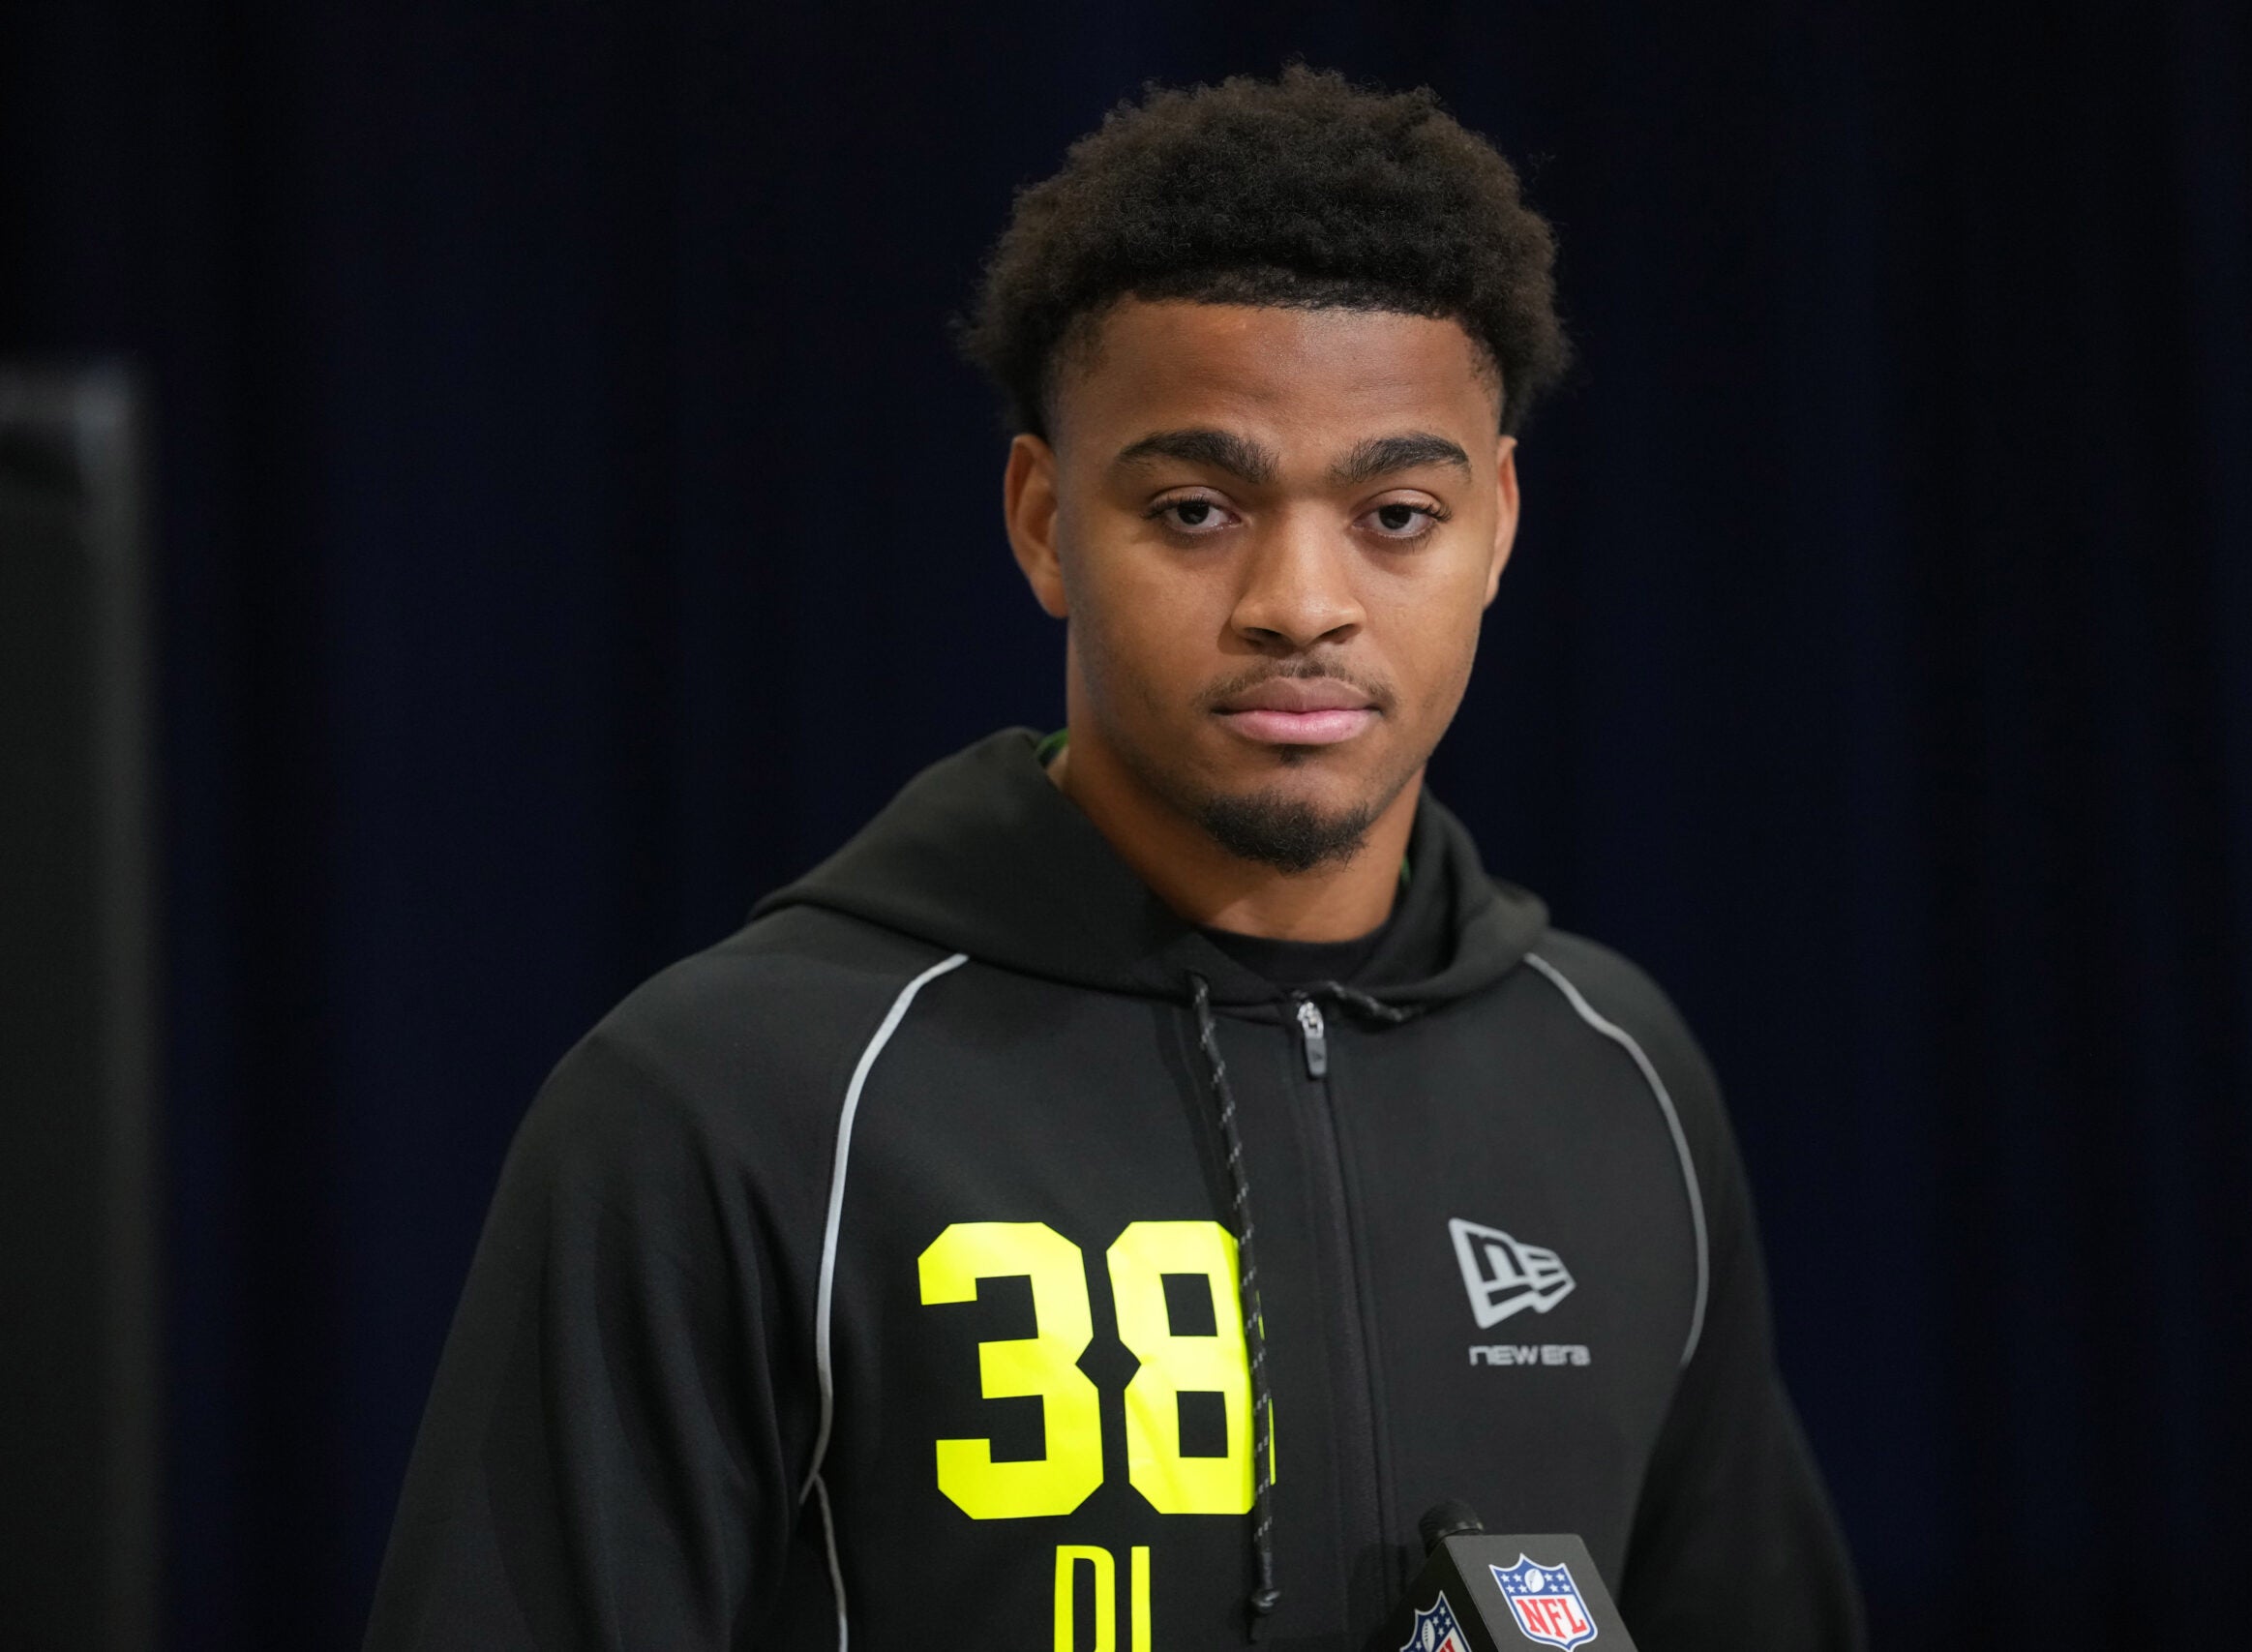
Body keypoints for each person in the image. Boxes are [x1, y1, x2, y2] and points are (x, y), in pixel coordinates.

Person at [365, 66, 1863, 1652]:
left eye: (1397, 513)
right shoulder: (732, 1098)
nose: (1301, 599)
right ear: (1040, 520)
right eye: (1200, 507)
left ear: (1497, 522)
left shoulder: (1617, 1072)